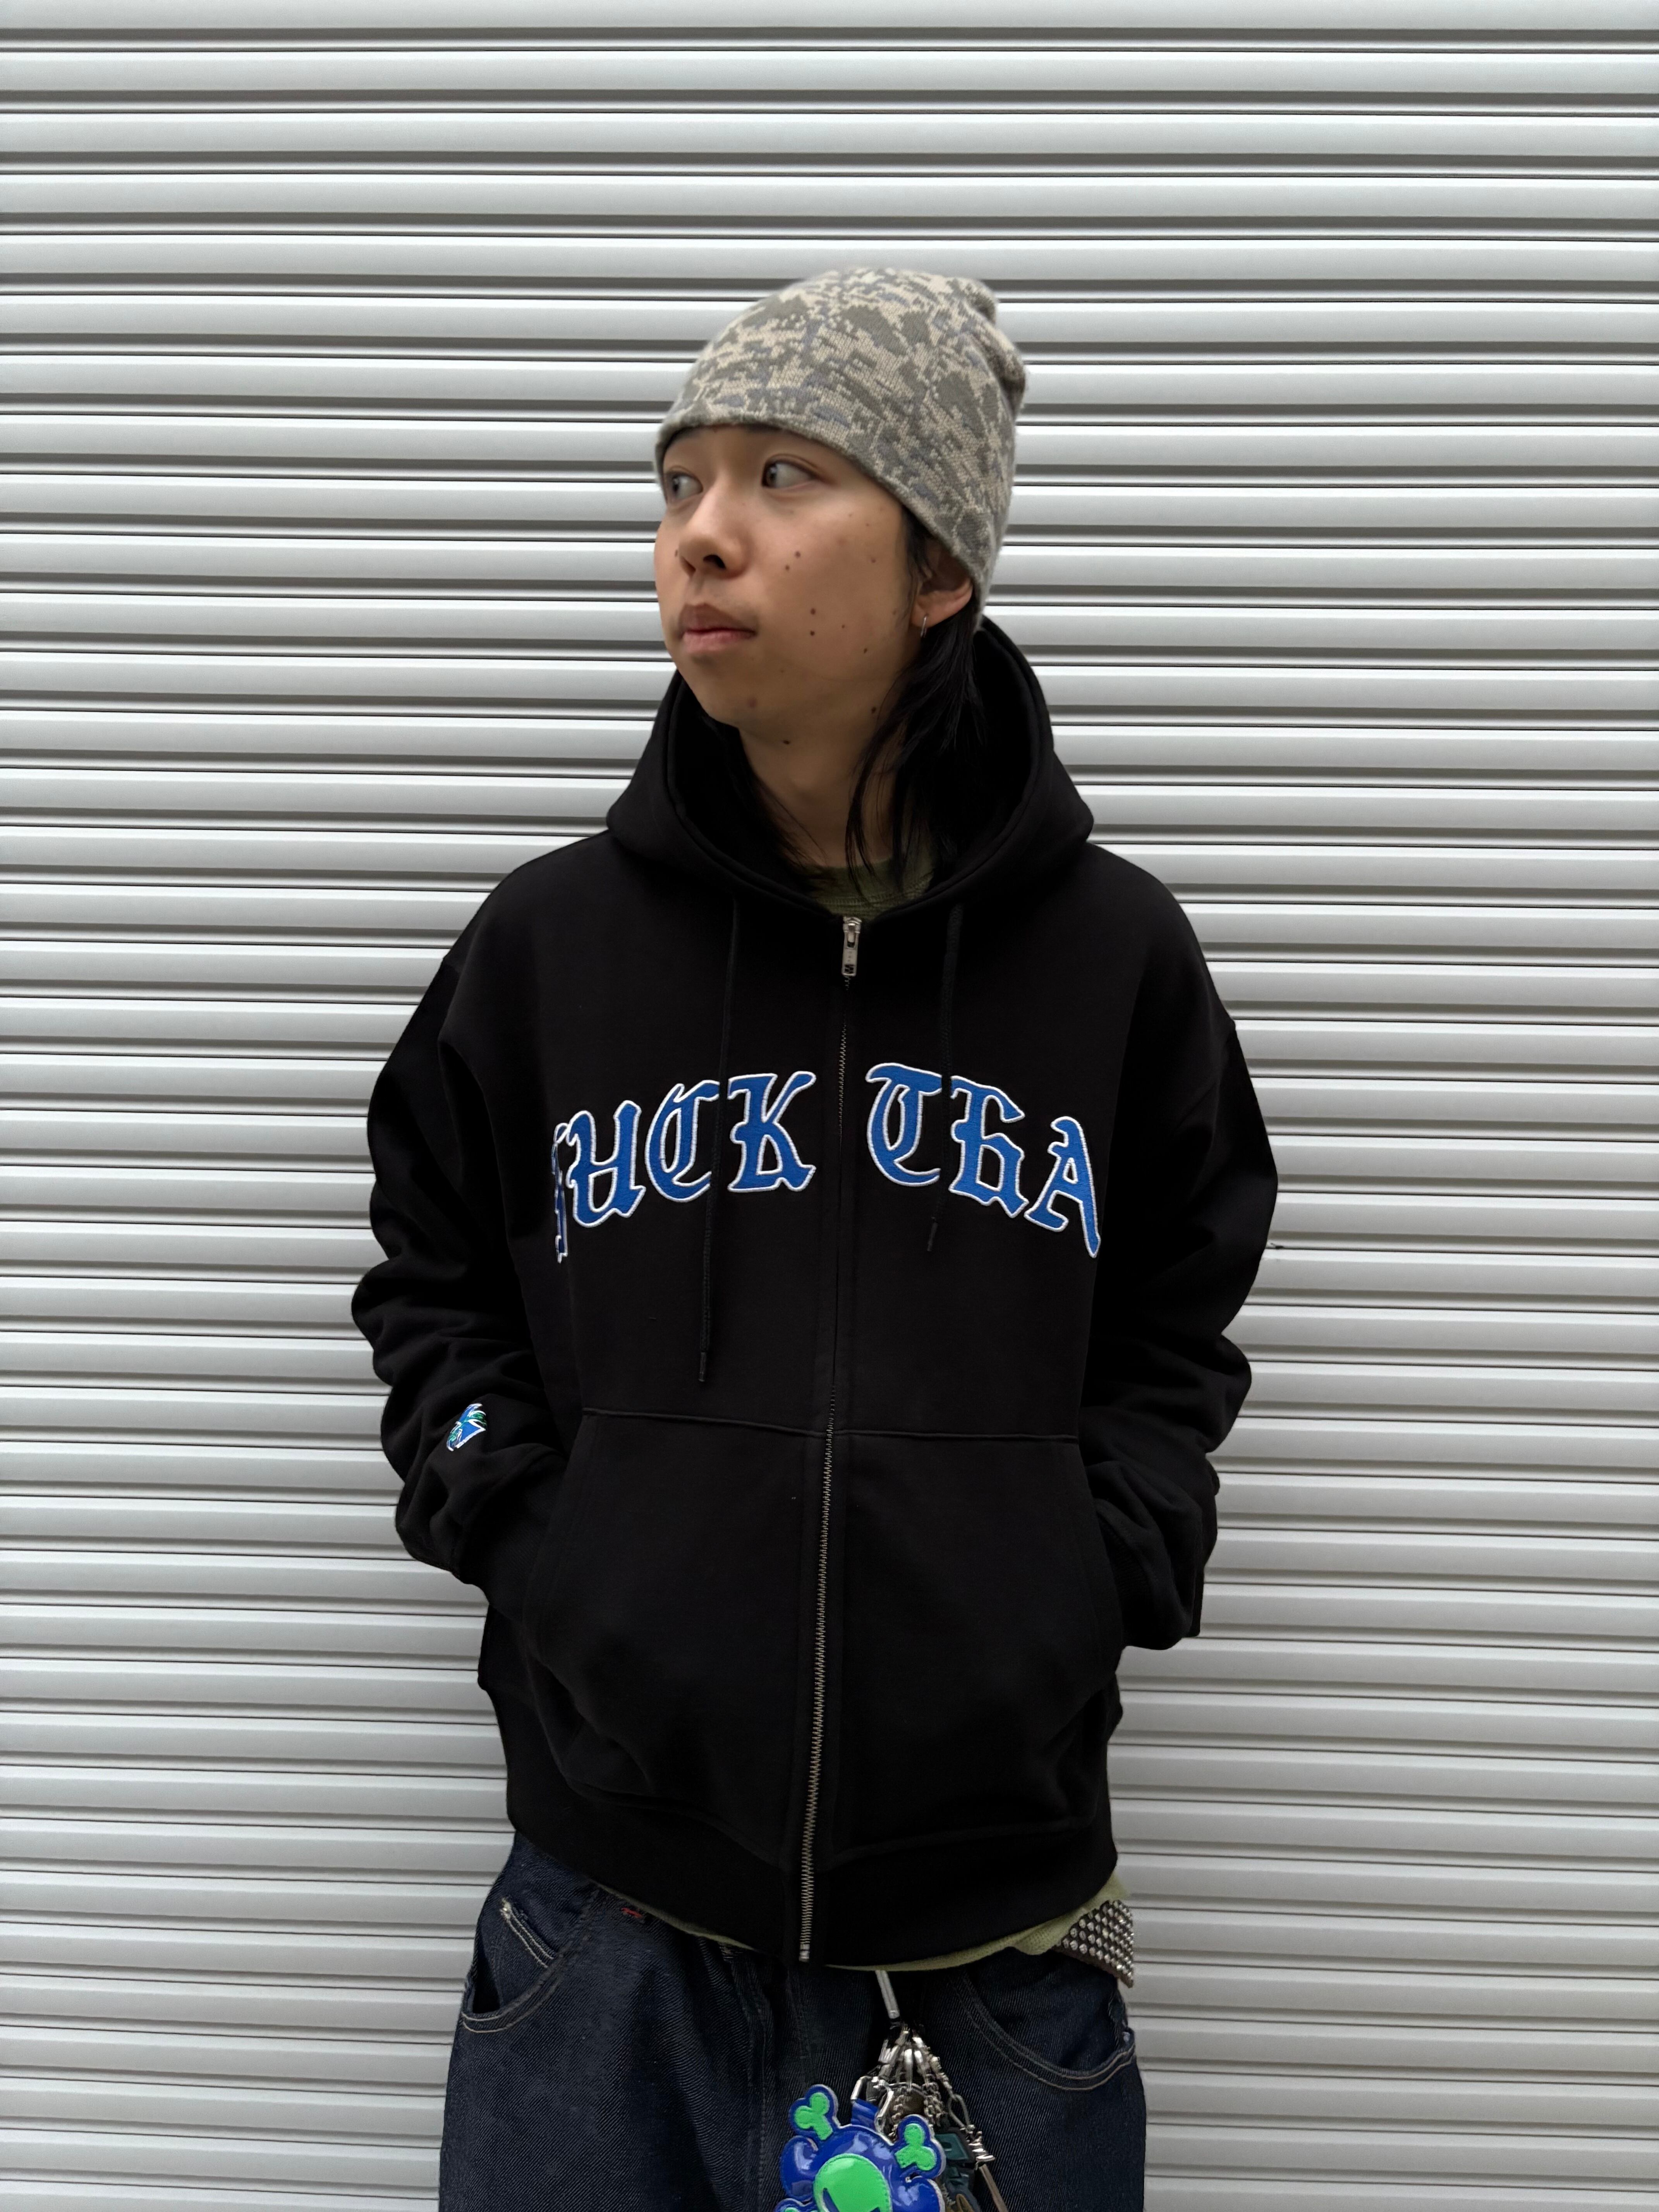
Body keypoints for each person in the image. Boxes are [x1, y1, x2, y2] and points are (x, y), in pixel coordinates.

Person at [352, 266, 1277, 2211]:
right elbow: (429, 1274)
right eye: (681, 480)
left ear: (939, 565)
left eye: (784, 475)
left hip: (985, 1974)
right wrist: (527, 1522)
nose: (703, 533)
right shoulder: (549, 950)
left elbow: (1179, 1323)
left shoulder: (1114, 963)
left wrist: (1093, 1559)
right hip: (604, 1942)